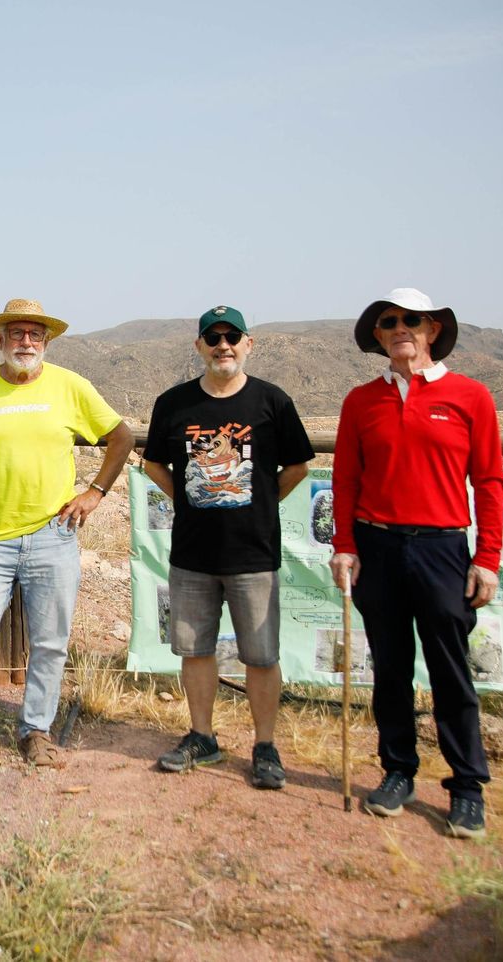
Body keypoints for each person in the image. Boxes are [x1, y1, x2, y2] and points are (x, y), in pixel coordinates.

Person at [0, 299, 135, 777]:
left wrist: (95, 492)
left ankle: (35, 731)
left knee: (50, 643)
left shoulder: (69, 386)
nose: (26, 342)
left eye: (35, 334)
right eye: (17, 333)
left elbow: (120, 436)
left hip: (53, 535)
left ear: (45, 342)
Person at [329, 288, 503, 839]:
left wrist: (489, 557)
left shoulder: (470, 396)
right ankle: (398, 771)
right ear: (378, 336)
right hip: (377, 547)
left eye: (412, 320)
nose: (400, 327)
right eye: (389, 321)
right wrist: (344, 544)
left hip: (442, 549)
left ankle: (467, 788)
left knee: (451, 671)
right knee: (391, 669)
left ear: (432, 330)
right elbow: (347, 480)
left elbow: (490, 481)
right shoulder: (361, 401)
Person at [142, 306, 314, 787]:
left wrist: (260, 501)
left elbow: (298, 465)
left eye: (232, 336)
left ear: (248, 343)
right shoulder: (172, 404)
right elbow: (153, 463)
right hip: (192, 554)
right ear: (199, 346)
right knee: (195, 651)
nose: (223, 345)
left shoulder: (272, 402)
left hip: (253, 554)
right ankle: (202, 737)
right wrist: (189, 498)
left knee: (260, 654)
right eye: (212, 337)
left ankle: (265, 746)